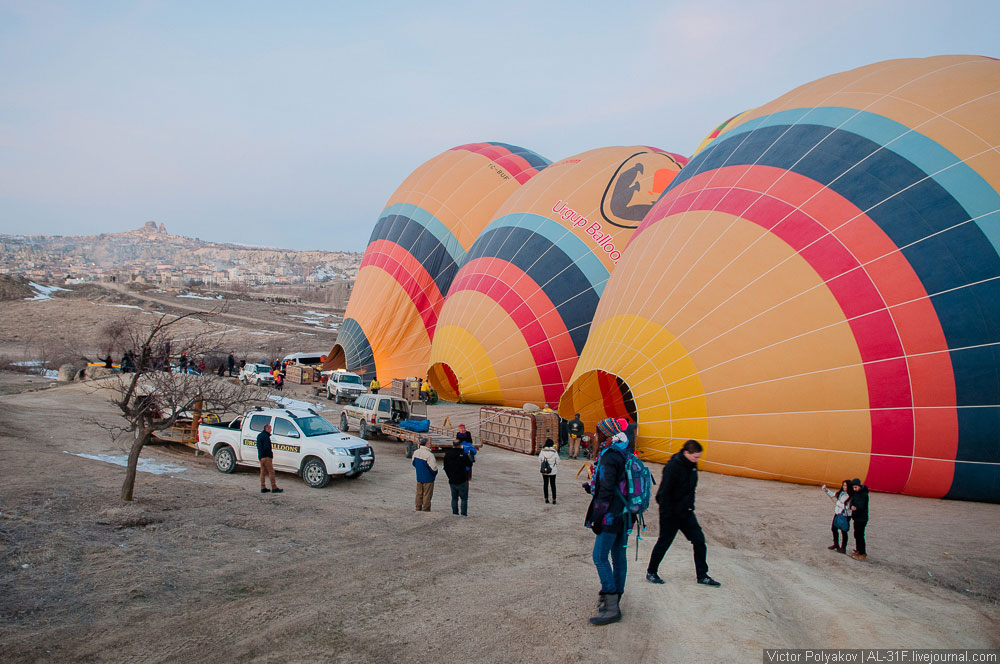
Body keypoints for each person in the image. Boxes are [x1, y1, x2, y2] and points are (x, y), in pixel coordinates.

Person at [645, 439, 720, 587]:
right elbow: (663, 493)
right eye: (695, 457)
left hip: (686, 512)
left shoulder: (692, 466)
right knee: (664, 542)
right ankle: (651, 572)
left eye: (698, 457)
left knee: (699, 540)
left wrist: (689, 506)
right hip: (670, 513)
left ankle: (702, 575)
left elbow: (691, 489)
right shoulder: (672, 467)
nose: (697, 460)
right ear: (686, 453)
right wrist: (667, 512)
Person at [585, 431, 631, 625]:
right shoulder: (626, 455)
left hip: (611, 517)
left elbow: (606, 490)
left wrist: (597, 517)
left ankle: (611, 605)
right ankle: (616, 598)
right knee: (619, 558)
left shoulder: (609, 456)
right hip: (626, 515)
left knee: (599, 557)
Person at [822, 480, 852, 553]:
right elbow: (833, 495)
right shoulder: (841, 493)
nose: (844, 487)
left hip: (845, 514)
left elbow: (847, 507)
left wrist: (837, 503)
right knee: (833, 528)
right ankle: (836, 544)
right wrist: (826, 490)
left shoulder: (851, 495)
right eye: (843, 485)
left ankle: (843, 547)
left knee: (843, 531)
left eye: (845, 485)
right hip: (837, 513)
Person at [443, 439, 472, 516]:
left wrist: (449, 476)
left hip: (452, 479)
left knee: (454, 498)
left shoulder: (448, 454)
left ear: (453, 445)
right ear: (460, 445)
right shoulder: (463, 454)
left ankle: (455, 513)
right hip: (462, 479)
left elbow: (445, 467)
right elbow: (469, 464)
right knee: (464, 498)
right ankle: (463, 514)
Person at [412, 437, 438, 511]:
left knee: (419, 493)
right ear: (426, 444)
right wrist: (434, 474)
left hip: (419, 476)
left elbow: (414, 463)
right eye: (429, 443)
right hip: (428, 478)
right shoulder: (429, 454)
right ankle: (426, 509)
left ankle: (418, 507)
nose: (430, 444)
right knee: (427, 494)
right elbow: (434, 467)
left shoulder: (416, 452)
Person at [256, 424, 282, 494]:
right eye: (270, 428)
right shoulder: (266, 437)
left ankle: (263, 487)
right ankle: (274, 487)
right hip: (267, 457)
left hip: (261, 457)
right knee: (271, 472)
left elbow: (258, 446)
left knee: (262, 472)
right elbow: (267, 447)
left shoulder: (259, 436)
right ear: (267, 429)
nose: (271, 430)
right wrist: (270, 455)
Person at [849, 478, 870, 561]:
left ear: (859, 486)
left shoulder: (864, 495)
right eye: (853, 487)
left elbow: (861, 507)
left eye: (856, 487)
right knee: (856, 534)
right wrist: (851, 507)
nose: (855, 489)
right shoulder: (856, 494)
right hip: (856, 517)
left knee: (860, 535)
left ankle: (863, 553)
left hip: (862, 518)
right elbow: (852, 502)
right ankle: (858, 550)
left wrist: (855, 508)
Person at [539, 438, 559, 504]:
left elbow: (539, 460)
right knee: (553, 484)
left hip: (545, 470)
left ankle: (546, 498)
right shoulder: (554, 452)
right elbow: (558, 461)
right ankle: (554, 499)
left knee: (545, 484)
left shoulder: (542, 451)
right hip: (553, 470)